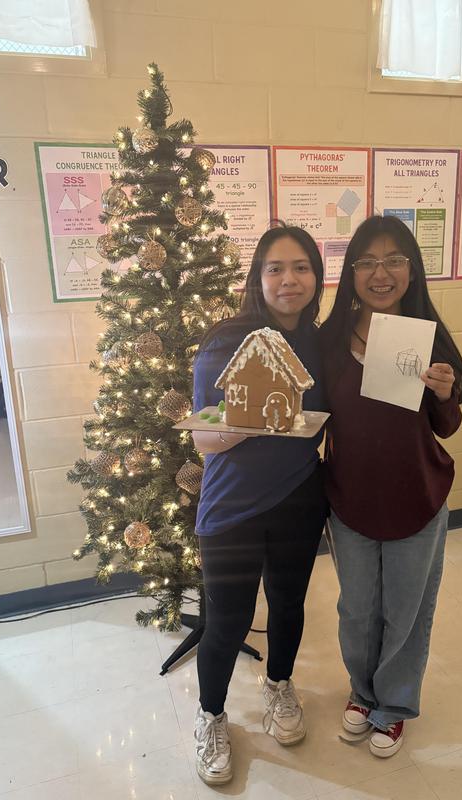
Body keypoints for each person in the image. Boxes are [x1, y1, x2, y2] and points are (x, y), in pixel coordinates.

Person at [320, 214, 462, 759]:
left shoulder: (426, 333)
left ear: (412, 269)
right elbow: (311, 415)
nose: (379, 273)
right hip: (351, 499)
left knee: (406, 610)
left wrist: (444, 390)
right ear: (351, 271)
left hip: (418, 495)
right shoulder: (330, 338)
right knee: (358, 609)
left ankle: (395, 704)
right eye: (366, 261)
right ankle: (363, 694)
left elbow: (447, 424)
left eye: (393, 260)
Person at [191, 224, 329, 785]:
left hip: (299, 498)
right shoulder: (227, 342)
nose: (289, 279)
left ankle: (278, 684)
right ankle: (211, 717)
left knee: (289, 604)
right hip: (231, 508)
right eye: (275, 268)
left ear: (316, 278)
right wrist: (243, 426)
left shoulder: (319, 343)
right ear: (258, 278)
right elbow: (202, 442)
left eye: (301, 267)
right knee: (227, 619)